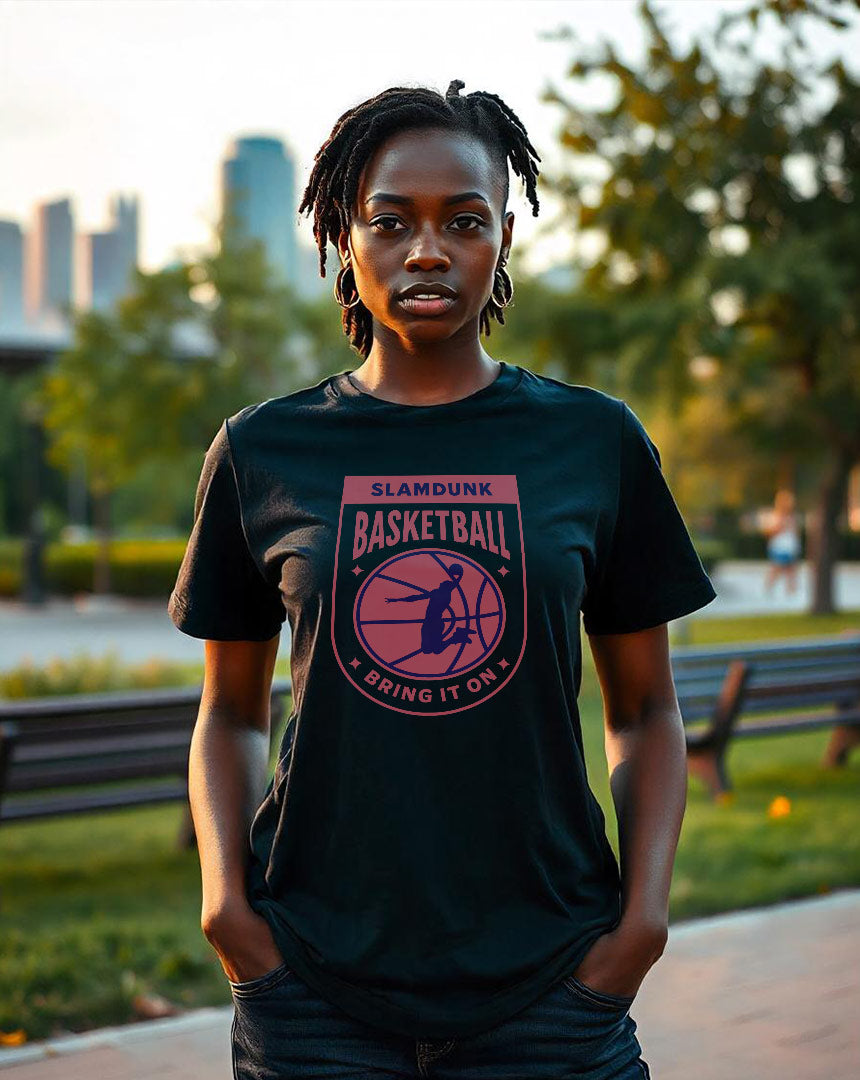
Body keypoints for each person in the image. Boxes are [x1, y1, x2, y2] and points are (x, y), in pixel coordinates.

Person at [168, 79, 717, 1080]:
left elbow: (644, 710)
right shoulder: (262, 450)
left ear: (503, 236)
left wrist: (638, 925)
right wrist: (228, 914)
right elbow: (231, 715)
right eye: (391, 220)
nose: (426, 250)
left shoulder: (592, 441)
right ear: (342, 235)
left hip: (552, 988)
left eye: (463, 221)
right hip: (314, 995)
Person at [764, 488, 803, 596]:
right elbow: (769, 532)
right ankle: (769, 588)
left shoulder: (793, 517)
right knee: (776, 569)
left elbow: (795, 534)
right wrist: (779, 526)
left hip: (790, 547)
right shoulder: (775, 516)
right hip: (779, 547)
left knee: (791, 570)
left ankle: (791, 591)